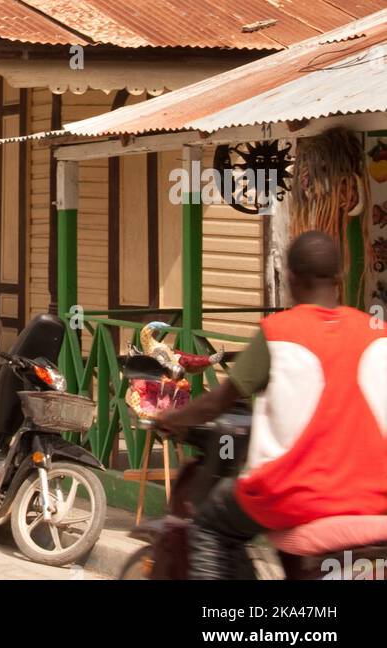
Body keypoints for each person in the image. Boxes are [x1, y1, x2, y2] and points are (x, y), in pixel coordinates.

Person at [157, 231, 387, 580]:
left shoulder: (278, 332)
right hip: (376, 495)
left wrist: (174, 418)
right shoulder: (377, 333)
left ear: (291, 280)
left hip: (294, 493)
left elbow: (219, 401)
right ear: (340, 279)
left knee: (208, 527)